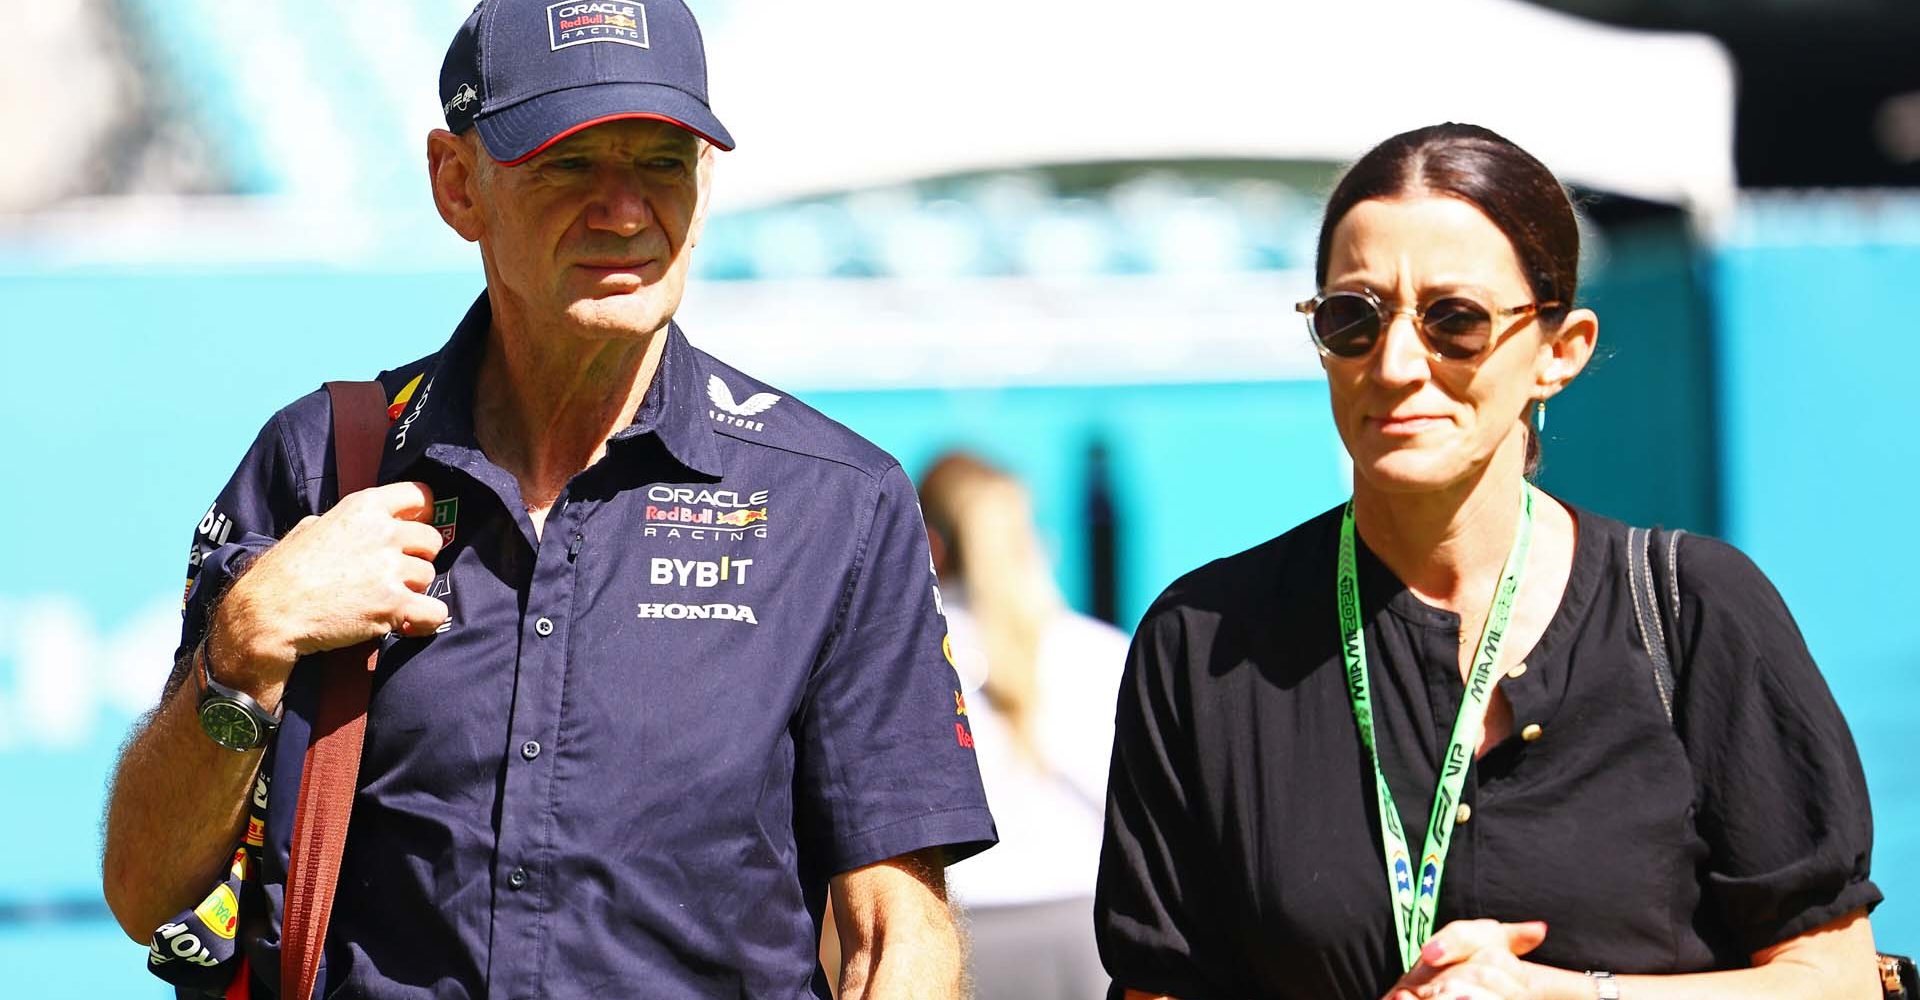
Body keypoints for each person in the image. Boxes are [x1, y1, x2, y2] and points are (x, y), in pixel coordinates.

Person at [100, 2, 997, 997]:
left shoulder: (838, 502)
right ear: (458, 184)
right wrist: (247, 643)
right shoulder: (317, 460)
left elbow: (895, 932)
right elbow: (148, 893)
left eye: (661, 161)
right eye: (570, 163)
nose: (623, 210)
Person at [1093, 123, 1883, 1000]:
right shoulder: (1204, 642)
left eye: (1455, 320)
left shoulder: (1693, 609)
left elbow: (1834, 978)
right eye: (1353, 318)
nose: (1396, 364)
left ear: (1560, 351)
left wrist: (1572, 997)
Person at [916, 452, 1129, 1000]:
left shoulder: (909, 660)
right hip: (1085, 933)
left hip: (964, 936)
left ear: (930, 542)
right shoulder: (1097, 653)